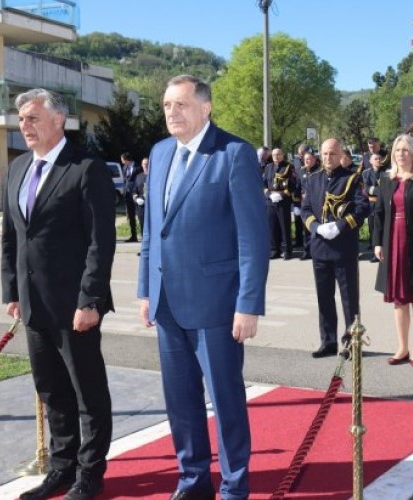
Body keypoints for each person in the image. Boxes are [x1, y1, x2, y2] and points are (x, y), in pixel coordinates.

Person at [137, 75, 269, 500]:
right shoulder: (159, 154)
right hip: (167, 303)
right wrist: (145, 290)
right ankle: (192, 480)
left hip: (217, 304)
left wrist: (248, 304)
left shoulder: (233, 154)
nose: (172, 112)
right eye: (166, 105)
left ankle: (234, 486)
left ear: (206, 108)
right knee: (180, 401)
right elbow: (151, 231)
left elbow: (253, 238)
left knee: (225, 402)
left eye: (181, 104)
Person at [1, 88, 116, 500]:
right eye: (21, 119)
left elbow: (100, 243)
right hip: (34, 306)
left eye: (32, 118)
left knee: (87, 394)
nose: (24, 126)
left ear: (58, 120)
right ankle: (62, 467)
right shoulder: (17, 169)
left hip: (74, 308)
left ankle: (90, 475)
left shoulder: (85, 168)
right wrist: (12, 291)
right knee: (52, 392)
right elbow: (12, 237)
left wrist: (90, 300)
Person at [372, 134, 413, 368]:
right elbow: (379, 213)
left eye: (406, 150)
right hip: (392, 243)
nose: (401, 154)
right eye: (397, 150)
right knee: (399, 301)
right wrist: (377, 242)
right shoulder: (386, 179)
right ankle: (401, 347)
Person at [301, 137, 369, 358]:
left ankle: (352, 343)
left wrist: (340, 226)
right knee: (324, 297)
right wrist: (317, 228)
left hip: (343, 247)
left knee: (349, 298)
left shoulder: (352, 178)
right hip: (320, 247)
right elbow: (305, 210)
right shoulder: (313, 179)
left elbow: (362, 208)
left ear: (341, 155)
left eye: (332, 153)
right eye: (325, 153)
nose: (328, 158)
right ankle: (328, 342)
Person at [264, 148, 297, 260]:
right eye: (274, 155)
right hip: (270, 202)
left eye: (278, 154)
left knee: (284, 226)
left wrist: (281, 195)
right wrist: (269, 195)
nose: (276, 156)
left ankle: (288, 251)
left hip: (283, 201)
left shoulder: (289, 167)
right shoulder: (268, 167)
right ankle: (274, 250)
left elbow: (293, 184)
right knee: (272, 227)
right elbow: (264, 184)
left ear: (283, 155)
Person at [362, 152, 386, 260]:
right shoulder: (366, 173)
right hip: (371, 205)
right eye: (376, 158)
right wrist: (378, 191)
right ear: (370, 161)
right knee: (372, 228)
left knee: (383, 228)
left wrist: (375, 191)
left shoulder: (385, 174)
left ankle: (384, 250)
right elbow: (365, 189)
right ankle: (375, 252)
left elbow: (387, 189)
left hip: (383, 205)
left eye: (380, 158)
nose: (378, 160)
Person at [297, 150, 320, 260]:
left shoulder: (320, 171)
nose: (308, 161)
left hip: (316, 203)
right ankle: (307, 251)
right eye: (306, 159)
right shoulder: (301, 172)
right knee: (306, 227)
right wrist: (296, 202)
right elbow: (298, 186)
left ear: (315, 160)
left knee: (316, 226)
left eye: (310, 159)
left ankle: (317, 250)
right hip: (305, 204)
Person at [121, 153, 142, 242]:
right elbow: (125, 180)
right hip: (128, 195)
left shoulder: (138, 167)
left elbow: (140, 180)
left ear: (126, 159)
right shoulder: (125, 168)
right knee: (131, 215)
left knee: (140, 215)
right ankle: (133, 235)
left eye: (122, 159)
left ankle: (143, 235)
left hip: (136, 194)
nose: (122, 161)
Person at [131, 157, 149, 237]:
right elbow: (134, 190)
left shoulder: (155, 176)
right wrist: (136, 198)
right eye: (144, 164)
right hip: (141, 206)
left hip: (152, 206)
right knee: (142, 224)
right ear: (142, 165)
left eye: (147, 164)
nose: (146, 166)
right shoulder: (138, 177)